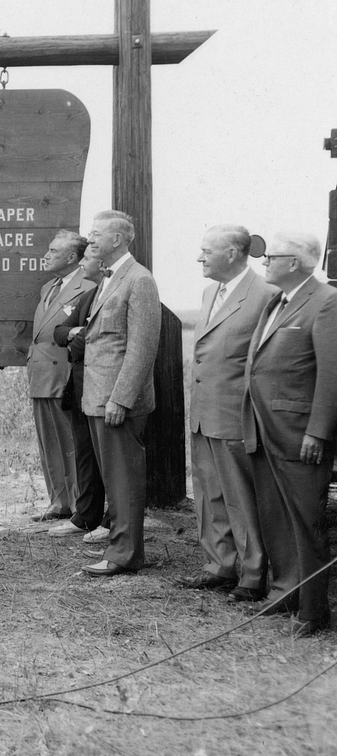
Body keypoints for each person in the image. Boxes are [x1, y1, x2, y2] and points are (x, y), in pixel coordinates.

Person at [242, 232, 337, 636]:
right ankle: (286, 594)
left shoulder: (327, 301)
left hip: (300, 435)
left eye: (272, 256)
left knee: (306, 522)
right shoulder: (274, 301)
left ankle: (314, 612)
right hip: (264, 429)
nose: (264, 261)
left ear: (295, 263)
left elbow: (332, 375)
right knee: (276, 517)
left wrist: (318, 432)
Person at [177, 226, 277, 602]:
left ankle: (253, 575)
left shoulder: (265, 294)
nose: (199, 258)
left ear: (234, 253)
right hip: (204, 414)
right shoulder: (209, 293)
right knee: (208, 494)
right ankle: (218, 566)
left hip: (236, 415)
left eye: (207, 251)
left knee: (241, 497)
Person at [78, 211, 160, 577]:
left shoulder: (139, 280)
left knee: (124, 480)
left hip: (116, 401)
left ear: (119, 240)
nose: (90, 240)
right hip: (100, 397)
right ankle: (121, 548)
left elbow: (142, 347)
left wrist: (121, 399)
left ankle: (125, 555)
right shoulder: (112, 279)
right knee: (116, 479)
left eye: (97, 235)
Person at [27, 230, 95, 522]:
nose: (46, 255)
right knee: (49, 441)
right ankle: (59, 500)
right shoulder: (48, 288)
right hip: (41, 374)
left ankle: (80, 505)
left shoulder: (88, 286)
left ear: (71, 257)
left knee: (71, 442)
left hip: (65, 374)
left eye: (53, 251)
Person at [49, 245, 109, 542]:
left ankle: (112, 521)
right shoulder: (89, 296)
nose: (83, 263)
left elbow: (96, 339)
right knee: (85, 454)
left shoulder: (113, 294)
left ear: (102, 262)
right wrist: (74, 335)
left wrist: (76, 339)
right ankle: (86, 515)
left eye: (87, 258)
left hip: (105, 390)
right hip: (80, 388)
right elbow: (60, 332)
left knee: (110, 459)